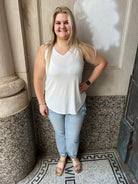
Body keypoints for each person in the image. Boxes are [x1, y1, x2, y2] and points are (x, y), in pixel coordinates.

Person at [34, 6, 107, 176]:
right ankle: (62, 156)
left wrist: (88, 82)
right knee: (60, 134)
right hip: (53, 105)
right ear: (53, 26)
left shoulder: (81, 48)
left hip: (76, 104)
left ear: (72, 25)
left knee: (73, 137)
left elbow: (102, 63)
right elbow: (37, 78)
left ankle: (73, 156)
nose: (62, 26)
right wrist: (41, 102)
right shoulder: (45, 50)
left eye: (66, 22)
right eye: (58, 23)